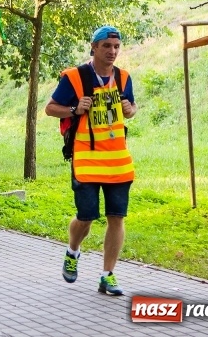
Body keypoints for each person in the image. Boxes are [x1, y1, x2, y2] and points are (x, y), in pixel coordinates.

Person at [45, 25, 138, 296]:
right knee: (86, 218)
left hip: (118, 159)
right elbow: (51, 108)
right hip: (86, 158)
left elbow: (130, 109)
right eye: (106, 46)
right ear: (94, 47)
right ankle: (73, 251)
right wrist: (75, 109)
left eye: (116, 47)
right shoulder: (75, 78)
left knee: (117, 217)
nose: (112, 52)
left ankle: (108, 275)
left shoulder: (123, 77)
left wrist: (130, 109)